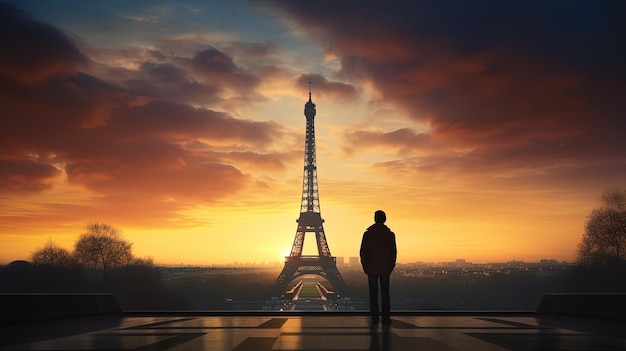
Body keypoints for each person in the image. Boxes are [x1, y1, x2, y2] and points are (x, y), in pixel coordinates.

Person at [360, 210, 397, 324]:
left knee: (373, 294)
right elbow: (393, 253)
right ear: (384, 219)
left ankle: (374, 317)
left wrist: (366, 266)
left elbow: (363, 252)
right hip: (385, 268)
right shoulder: (390, 235)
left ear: (375, 219)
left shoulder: (368, 234)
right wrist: (390, 267)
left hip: (371, 268)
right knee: (385, 294)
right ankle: (386, 317)